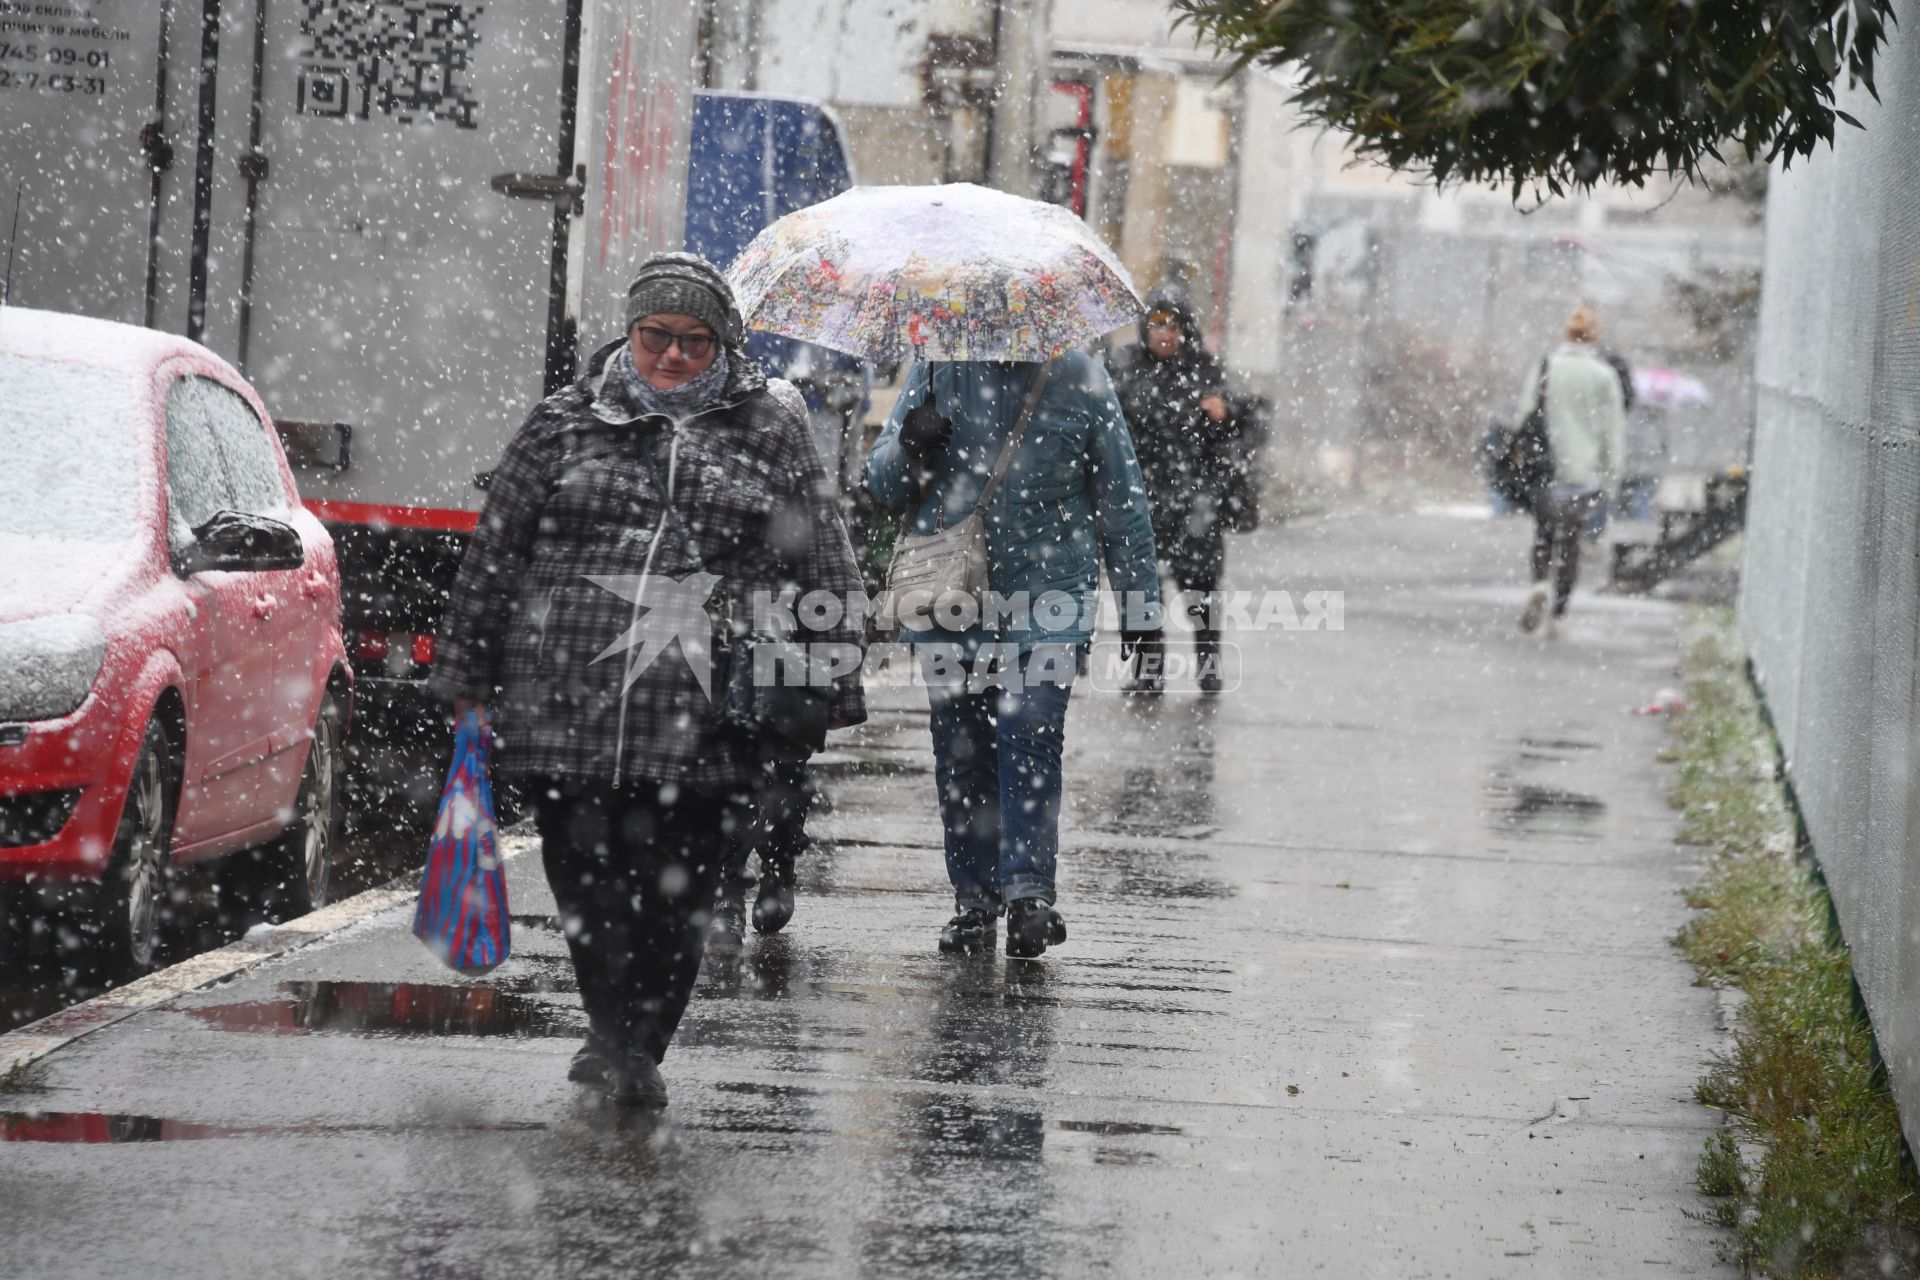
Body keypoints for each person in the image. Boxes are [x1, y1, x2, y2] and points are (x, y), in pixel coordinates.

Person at [428, 252, 866, 1107]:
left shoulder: (768, 429)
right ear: (628, 335)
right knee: (585, 877)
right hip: (567, 703)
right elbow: (497, 552)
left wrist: (821, 685)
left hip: (706, 711)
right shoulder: (562, 422)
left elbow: (823, 561)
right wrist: (465, 670)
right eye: (655, 335)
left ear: (725, 345)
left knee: (682, 886)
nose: (671, 355)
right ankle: (610, 1029)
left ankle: (641, 1040)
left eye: (693, 341)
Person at [867, 354, 1159, 958]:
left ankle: (1028, 894)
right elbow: (882, 487)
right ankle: (975, 903)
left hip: (1051, 595)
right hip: (954, 593)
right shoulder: (934, 372)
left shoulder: (1080, 375)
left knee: (1030, 727)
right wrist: (908, 445)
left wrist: (1140, 606)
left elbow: (1120, 495)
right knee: (961, 745)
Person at [1110, 286, 1236, 693]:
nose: (1166, 333)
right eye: (1157, 324)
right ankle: (1148, 671)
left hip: (1192, 494)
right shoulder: (1124, 366)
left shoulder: (1203, 369)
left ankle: (1209, 667)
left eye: (1174, 325)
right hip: (1140, 494)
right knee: (1142, 588)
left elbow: (1235, 432)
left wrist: (1222, 416)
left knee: (1200, 586)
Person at [1516, 306, 1627, 638]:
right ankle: (1560, 615)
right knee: (1571, 541)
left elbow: (1525, 413)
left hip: (1547, 468)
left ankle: (1539, 583)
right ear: (1595, 337)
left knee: (1544, 532)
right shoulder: (1604, 376)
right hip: (1585, 473)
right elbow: (1613, 431)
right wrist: (1611, 477)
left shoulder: (1547, 366)